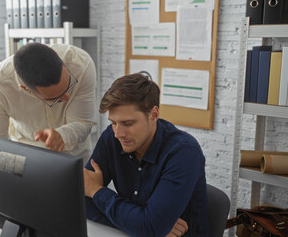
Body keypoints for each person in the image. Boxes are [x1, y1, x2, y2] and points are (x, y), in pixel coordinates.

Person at [83, 73, 210, 236]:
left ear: (154, 115)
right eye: (113, 122)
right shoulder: (112, 137)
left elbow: (149, 227)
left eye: (128, 123)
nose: (118, 133)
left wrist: (97, 191)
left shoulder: (184, 152)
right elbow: (81, 202)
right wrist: (142, 226)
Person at [0, 43, 96, 161]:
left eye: (69, 84)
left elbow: (82, 122)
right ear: (26, 90)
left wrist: (62, 136)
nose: (67, 97)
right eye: (56, 98)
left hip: (76, 158)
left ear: (56, 55)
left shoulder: (81, 64)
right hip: (28, 160)